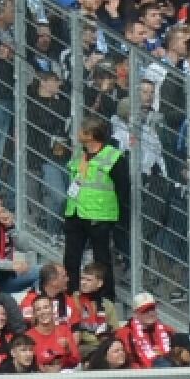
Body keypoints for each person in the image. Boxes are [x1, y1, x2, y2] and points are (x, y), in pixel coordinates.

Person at [62, 118, 126, 292]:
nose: (78, 134)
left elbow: (123, 187)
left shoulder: (113, 157)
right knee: (71, 259)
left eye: (82, 131)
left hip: (99, 216)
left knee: (101, 261)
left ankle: (104, 299)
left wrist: (117, 216)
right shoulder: (80, 154)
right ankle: (72, 294)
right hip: (75, 213)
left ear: (91, 135)